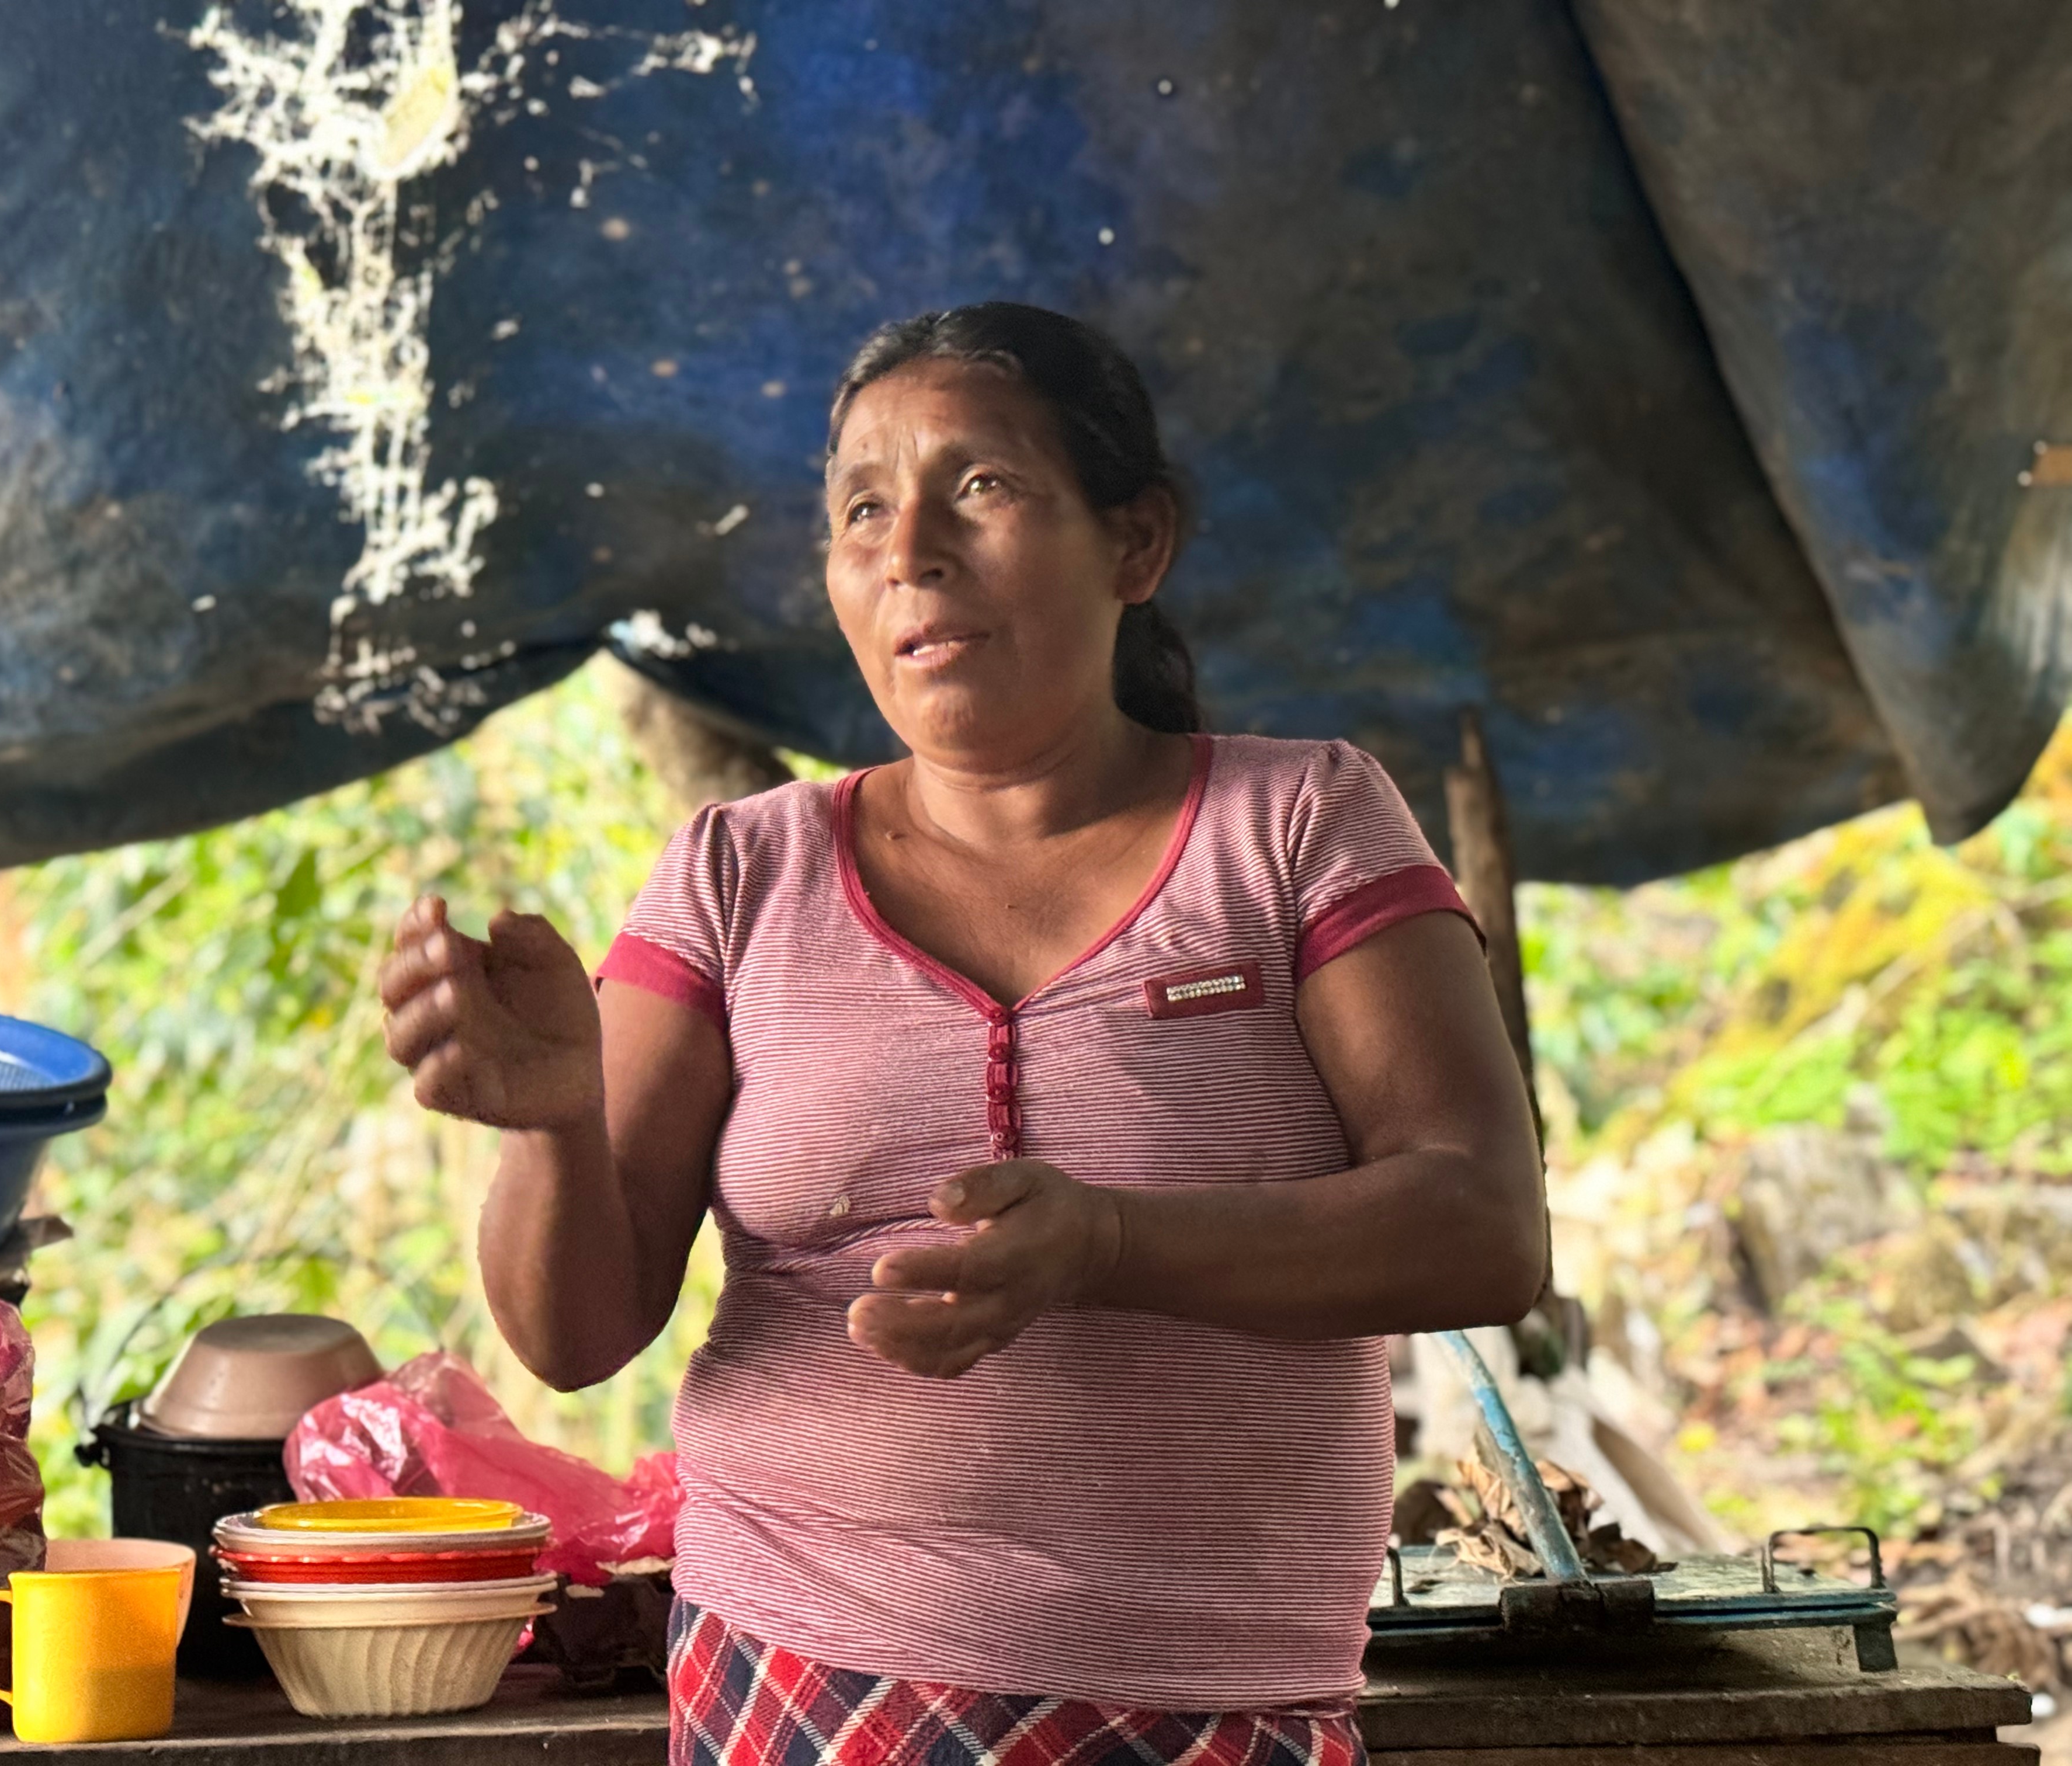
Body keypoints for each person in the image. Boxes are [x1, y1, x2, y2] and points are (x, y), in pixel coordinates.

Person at [379, 303, 1545, 1765]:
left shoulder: (1300, 824)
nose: (909, 551)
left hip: (1214, 1706)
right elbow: (570, 1338)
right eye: (862, 508)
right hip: (798, 1687)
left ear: (1136, 543)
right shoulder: (740, 873)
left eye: (980, 485)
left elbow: (1483, 1225)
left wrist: (1107, 1245)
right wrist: (557, 1125)